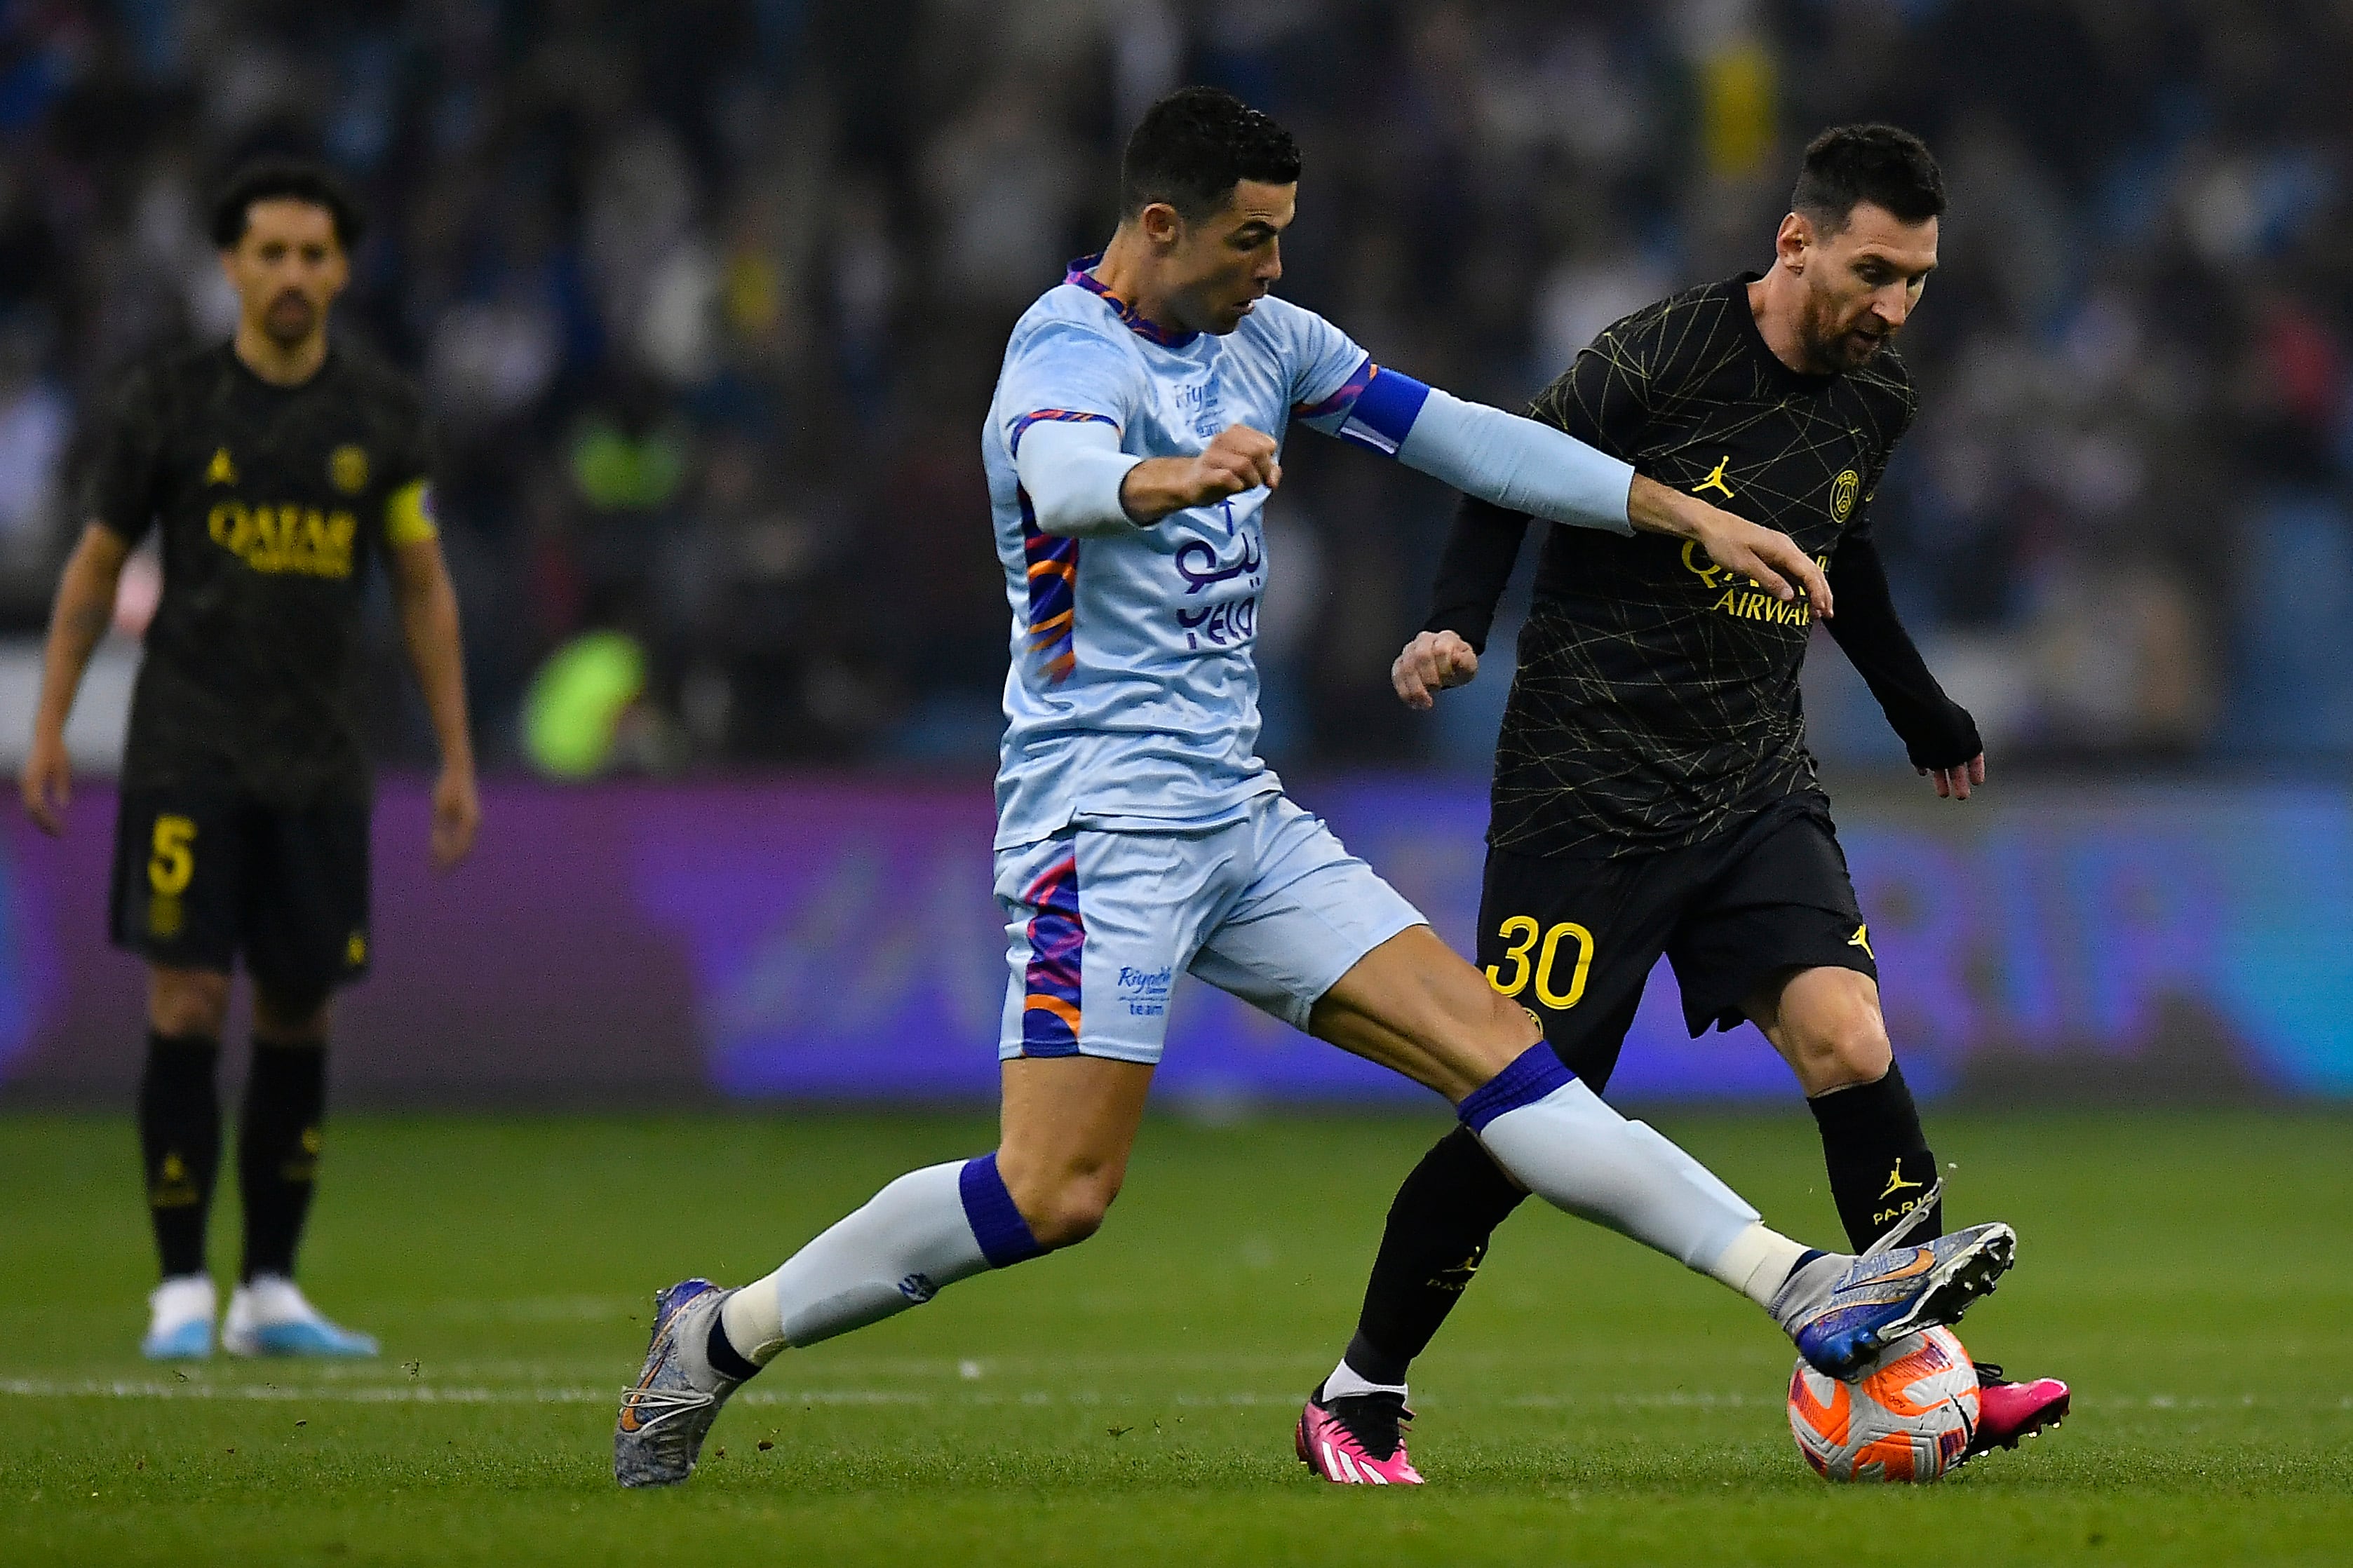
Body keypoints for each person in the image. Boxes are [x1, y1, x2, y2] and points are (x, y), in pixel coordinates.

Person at [611, 89, 2016, 1489]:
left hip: (1240, 815)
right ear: (1161, 225)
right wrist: (1171, 479)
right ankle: (719, 1333)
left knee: (1507, 1058)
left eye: (1283, 236)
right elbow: (1063, 477)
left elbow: (1470, 439)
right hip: (1102, 827)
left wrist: (1685, 510)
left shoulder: (1272, 341)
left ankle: (1799, 1282)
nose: (1275, 266)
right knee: (1056, 1192)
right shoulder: (1064, 348)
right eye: (1251, 239)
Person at [1297, 124, 2068, 1485]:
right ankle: (1360, 1389)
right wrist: (1456, 620)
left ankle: (1935, 1369)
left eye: (1918, 282)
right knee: (1527, 1111)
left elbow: (1845, 548)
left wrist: (1918, 704)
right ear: (1796, 242)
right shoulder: (1657, 356)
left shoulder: (1876, 398)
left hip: (1753, 786)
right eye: (1876, 273)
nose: (1896, 308)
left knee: (1848, 1037)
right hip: (1584, 796)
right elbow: (1503, 470)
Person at [20, 158, 480, 1360]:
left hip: (319, 762)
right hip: (189, 752)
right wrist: (51, 720)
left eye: (312, 255)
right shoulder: (170, 403)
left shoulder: (379, 415)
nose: (291, 274)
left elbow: (421, 585)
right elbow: (96, 565)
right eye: (270, 252)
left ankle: (270, 1288)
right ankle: (180, 1286)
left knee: (299, 1009)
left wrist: (456, 753)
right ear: (230, 265)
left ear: (341, 270)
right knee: (185, 996)